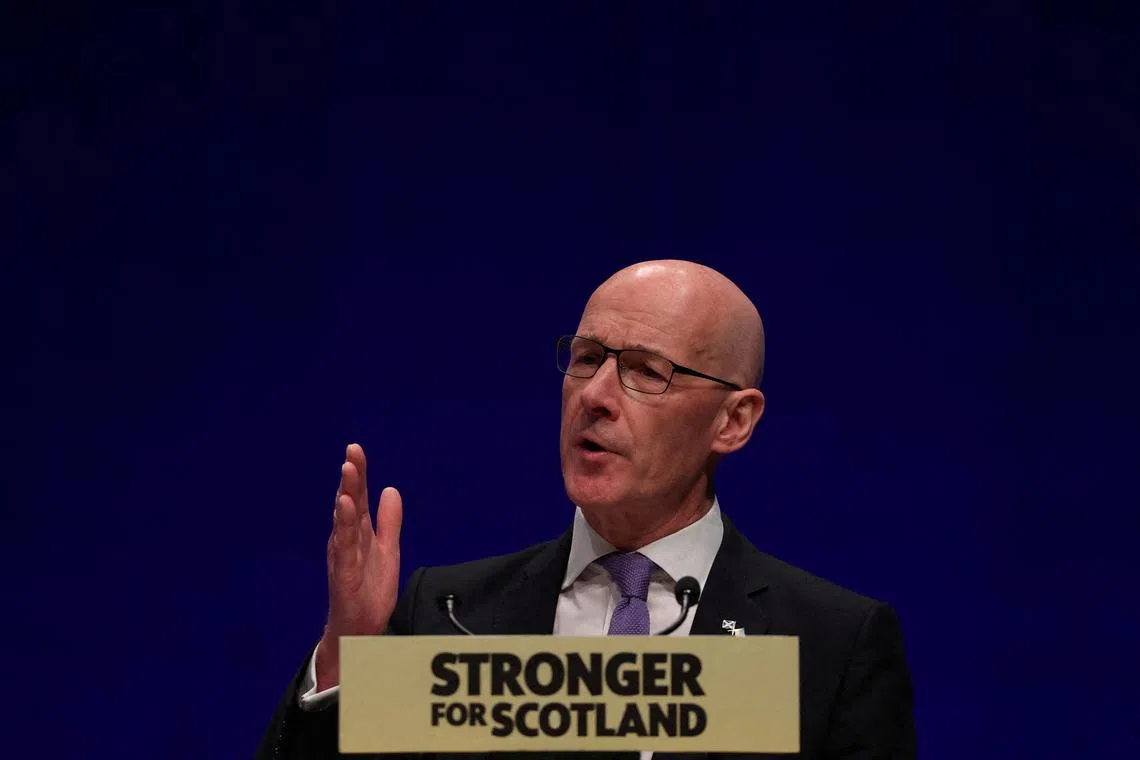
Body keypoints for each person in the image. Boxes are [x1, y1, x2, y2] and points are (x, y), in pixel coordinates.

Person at [253, 260, 916, 759]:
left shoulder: (829, 646)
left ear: (733, 421)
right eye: (588, 357)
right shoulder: (451, 618)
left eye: (646, 371)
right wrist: (349, 652)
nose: (595, 394)